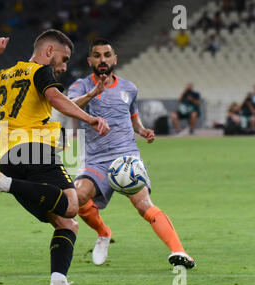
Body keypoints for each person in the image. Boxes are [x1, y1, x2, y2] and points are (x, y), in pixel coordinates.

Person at [0, 30, 109, 285]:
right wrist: (90, 120)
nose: (65, 66)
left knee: (68, 224)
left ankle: (58, 284)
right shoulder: (41, 71)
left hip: (10, 158)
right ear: (48, 52)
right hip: (35, 150)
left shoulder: (5, 76)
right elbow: (57, 99)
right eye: (64, 58)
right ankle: (3, 184)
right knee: (71, 206)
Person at [68, 38, 196, 269]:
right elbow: (69, 106)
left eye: (107, 55)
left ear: (115, 59)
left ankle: (180, 252)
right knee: (76, 200)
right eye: (97, 56)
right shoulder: (81, 86)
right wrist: (93, 93)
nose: (102, 60)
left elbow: (132, 117)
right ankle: (104, 233)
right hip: (96, 160)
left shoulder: (129, 88)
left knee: (143, 204)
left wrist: (143, 130)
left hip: (127, 158)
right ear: (90, 61)